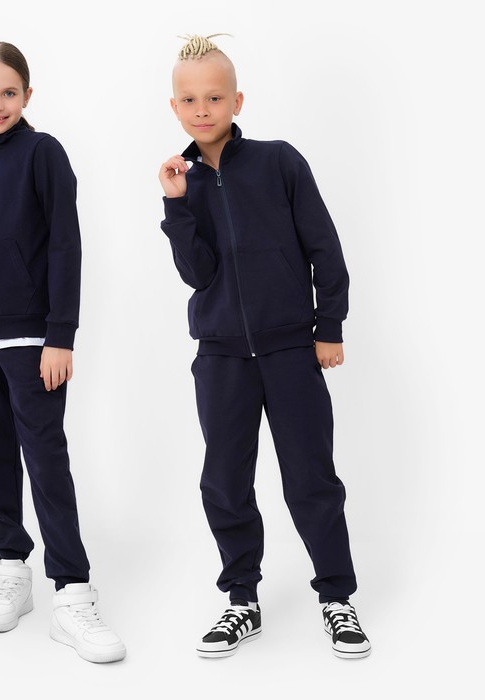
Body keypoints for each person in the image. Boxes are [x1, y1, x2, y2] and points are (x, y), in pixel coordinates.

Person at [158, 34, 371, 660]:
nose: (202, 109)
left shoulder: (279, 162)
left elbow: (324, 248)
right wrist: (176, 206)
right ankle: (241, 600)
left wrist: (329, 327)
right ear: (174, 106)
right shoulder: (183, 181)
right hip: (220, 356)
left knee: (311, 477)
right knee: (224, 481)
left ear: (237, 100)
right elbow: (197, 274)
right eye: (190, 100)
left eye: (214, 97)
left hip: (291, 351)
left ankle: (337, 597)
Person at [0, 41, 125, 664]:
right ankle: (11, 567)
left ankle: (72, 592)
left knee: (44, 458)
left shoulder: (44, 153)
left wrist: (60, 335)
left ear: (27, 95)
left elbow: (66, 244)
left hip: (30, 341)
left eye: (9, 92)